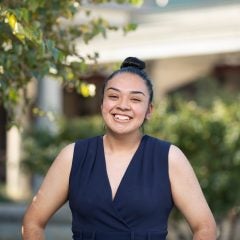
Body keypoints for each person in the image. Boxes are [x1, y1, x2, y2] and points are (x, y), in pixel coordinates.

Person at [22, 57, 217, 240]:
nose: (123, 106)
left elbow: (205, 228)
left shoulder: (169, 158)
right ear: (102, 104)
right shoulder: (73, 156)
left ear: (149, 110)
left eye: (135, 99)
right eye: (114, 96)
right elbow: (33, 222)